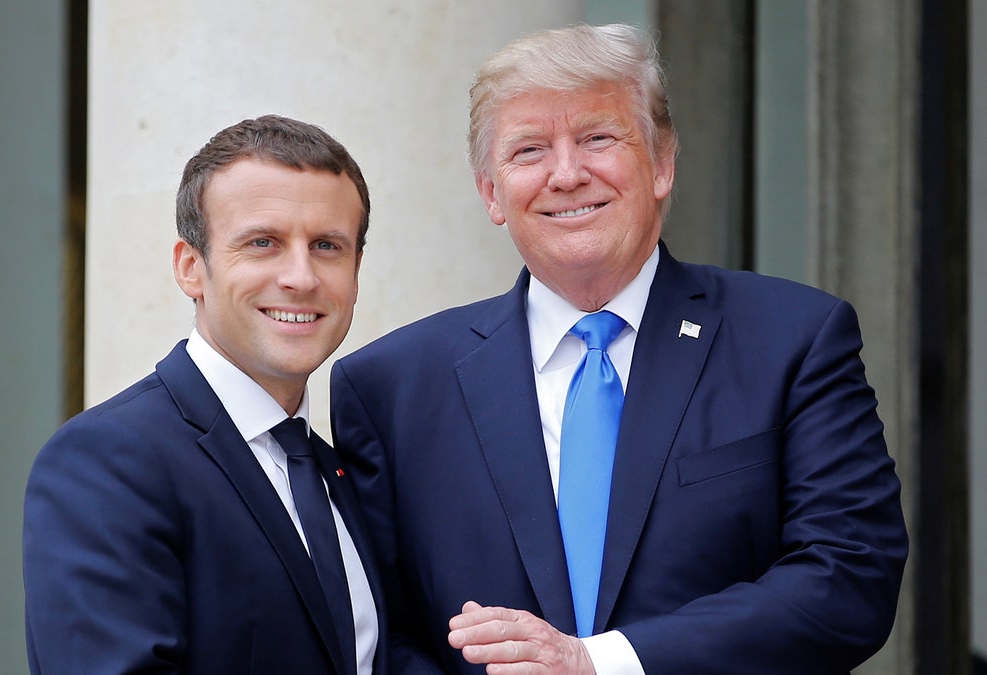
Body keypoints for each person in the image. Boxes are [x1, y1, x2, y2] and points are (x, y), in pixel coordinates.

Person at [330, 24, 908, 674]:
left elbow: (850, 576)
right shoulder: (392, 388)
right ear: (491, 191)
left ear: (661, 163)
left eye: (598, 138)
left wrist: (601, 662)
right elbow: (380, 634)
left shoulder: (793, 339)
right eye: (529, 150)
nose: (568, 174)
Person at [24, 115, 384, 674]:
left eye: (327, 246)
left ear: (356, 270)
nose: (301, 276)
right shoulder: (107, 461)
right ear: (191, 267)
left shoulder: (338, 468)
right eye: (263, 243)